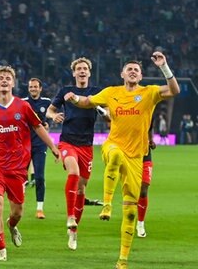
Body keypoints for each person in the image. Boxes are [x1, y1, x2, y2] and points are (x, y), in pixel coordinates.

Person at [65, 51, 179, 269]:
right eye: (129, 69)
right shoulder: (111, 92)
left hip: (137, 157)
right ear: (122, 74)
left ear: (141, 75)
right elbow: (87, 101)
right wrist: (74, 98)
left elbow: (174, 90)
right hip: (114, 145)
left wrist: (164, 67)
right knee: (115, 154)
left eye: (136, 69)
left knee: (130, 212)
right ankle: (106, 205)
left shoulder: (149, 92)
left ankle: (122, 260)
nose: (133, 71)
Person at [0, 66, 59, 261]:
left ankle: (12, 226)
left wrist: (53, 147)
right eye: (1, 78)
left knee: (17, 212)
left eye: (8, 78)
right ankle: (1, 249)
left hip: (17, 168)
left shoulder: (23, 107)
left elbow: (38, 127)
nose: (5, 80)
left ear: (13, 83)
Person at [46, 57, 103, 251]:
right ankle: (70, 215)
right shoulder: (64, 92)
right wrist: (55, 116)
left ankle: (73, 231)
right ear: (74, 73)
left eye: (85, 68)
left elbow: (109, 111)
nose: (82, 71)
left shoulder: (96, 93)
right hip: (67, 141)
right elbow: (49, 111)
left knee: (82, 189)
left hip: (86, 145)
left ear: (89, 72)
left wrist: (104, 111)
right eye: (78, 69)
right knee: (73, 173)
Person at [22, 77, 52, 219]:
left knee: (39, 176)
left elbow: (48, 121)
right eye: (31, 87)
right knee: (21, 177)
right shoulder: (22, 103)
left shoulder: (46, 102)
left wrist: (47, 125)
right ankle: (19, 204)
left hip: (40, 144)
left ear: (40, 88)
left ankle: (39, 208)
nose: (33, 89)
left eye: (35, 87)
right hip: (24, 144)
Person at [137, 124, 156, 238]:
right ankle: (128, 221)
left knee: (143, 190)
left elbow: (149, 126)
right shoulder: (128, 110)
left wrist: (151, 140)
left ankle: (140, 223)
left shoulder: (148, 110)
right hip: (131, 155)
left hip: (145, 156)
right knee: (131, 191)